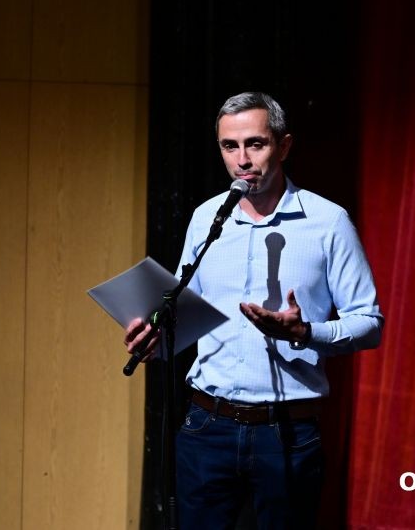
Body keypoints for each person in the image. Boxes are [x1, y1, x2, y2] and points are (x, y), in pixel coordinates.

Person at [125, 92, 383, 529]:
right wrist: (156, 341)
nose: (242, 159)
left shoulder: (328, 222)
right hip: (206, 426)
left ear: (283, 146)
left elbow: (369, 323)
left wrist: (305, 333)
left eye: (255, 144)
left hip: (286, 432)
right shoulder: (207, 218)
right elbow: (188, 316)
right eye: (230, 146)